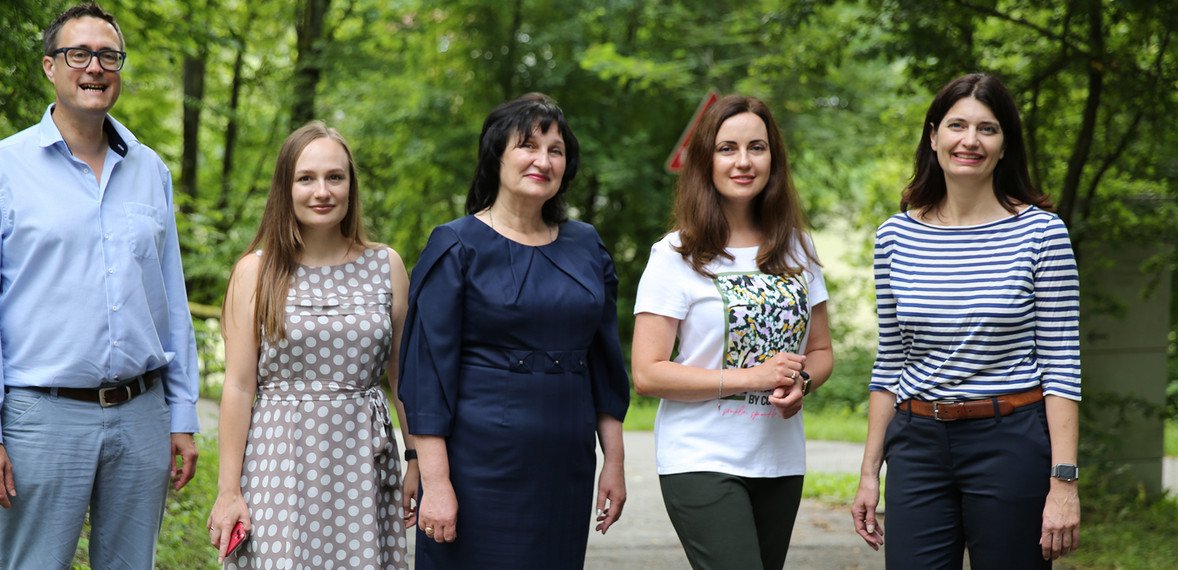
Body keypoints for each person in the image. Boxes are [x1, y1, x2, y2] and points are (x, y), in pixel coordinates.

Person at [0, 2, 200, 567]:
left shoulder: (150, 171)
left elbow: (171, 304)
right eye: (78, 54)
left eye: (108, 55)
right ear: (50, 66)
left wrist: (182, 414)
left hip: (142, 415)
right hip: (41, 417)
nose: (94, 67)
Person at [850, 72, 1082, 569]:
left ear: (1004, 145)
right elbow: (890, 359)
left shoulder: (1042, 234)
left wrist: (1063, 483)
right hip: (916, 445)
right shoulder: (895, 237)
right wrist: (870, 471)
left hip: (1010, 441)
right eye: (957, 125)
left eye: (988, 129)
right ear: (933, 137)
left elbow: (1063, 363)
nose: (970, 141)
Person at [397, 92, 631, 568]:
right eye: (528, 145)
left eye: (556, 150)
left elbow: (605, 364)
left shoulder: (587, 247)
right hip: (477, 467)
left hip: (565, 467)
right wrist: (437, 485)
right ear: (497, 154)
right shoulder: (456, 245)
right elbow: (427, 378)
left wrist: (615, 463)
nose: (542, 161)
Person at [631, 95, 834, 570]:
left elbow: (821, 350)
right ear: (706, 161)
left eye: (756, 148)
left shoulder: (798, 248)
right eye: (727, 148)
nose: (743, 161)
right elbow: (647, 373)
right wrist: (752, 378)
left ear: (773, 159)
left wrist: (802, 382)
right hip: (700, 456)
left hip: (779, 458)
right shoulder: (675, 255)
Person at [206, 121, 416, 568]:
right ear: (287, 187)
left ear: (350, 185)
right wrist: (229, 492)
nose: (322, 191)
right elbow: (239, 387)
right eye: (306, 178)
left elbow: (404, 379)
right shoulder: (255, 272)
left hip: (362, 459)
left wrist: (416, 457)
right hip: (278, 460)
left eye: (334, 177)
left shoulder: (387, 265)